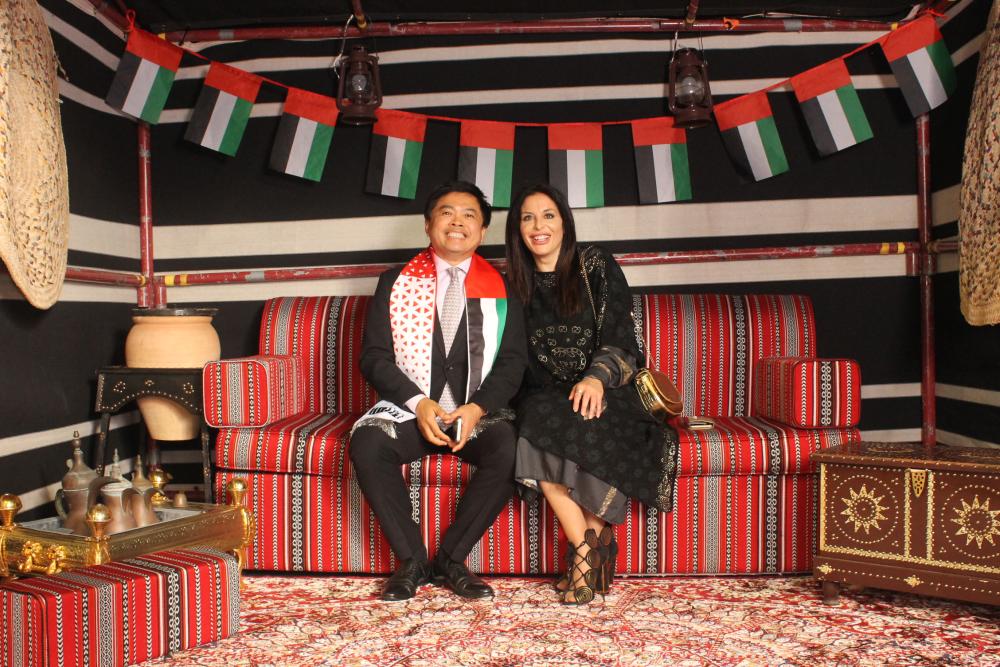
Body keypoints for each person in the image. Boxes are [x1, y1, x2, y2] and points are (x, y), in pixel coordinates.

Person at [350, 181, 527, 602]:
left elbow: (512, 363)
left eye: (469, 215)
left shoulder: (504, 289)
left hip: (473, 414)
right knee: (368, 443)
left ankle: (451, 559)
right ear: (429, 224)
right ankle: (411, 562)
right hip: (412, 412)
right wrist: (419, 402)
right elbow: (374, 357)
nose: (457, 222)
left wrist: (478, 407)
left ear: (482, 231)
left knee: (510, 448)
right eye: (447, 212)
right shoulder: (394, 282)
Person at [504, 183, 679, 605]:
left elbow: (620, 333)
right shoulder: (514, 285)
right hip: (546, 395)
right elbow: (513, 357)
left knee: (591, 414)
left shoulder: (595, 264)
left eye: (548, 215)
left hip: (608, 385)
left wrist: (597, 378)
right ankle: (589, 550)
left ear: (564, 222)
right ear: (518, 230)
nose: (539, 225)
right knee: (535, 420)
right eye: (528, 217)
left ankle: (584, 558)